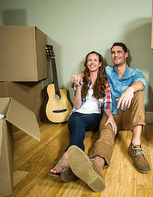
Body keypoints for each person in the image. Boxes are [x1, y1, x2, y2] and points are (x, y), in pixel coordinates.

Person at [67, 42, 150, 192]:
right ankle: (96, 164)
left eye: (119, 52)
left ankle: (135, 146)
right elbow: (91, 68)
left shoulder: (134, 73)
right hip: (112, 113)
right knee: (105, 134)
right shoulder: (107, 70)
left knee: (139, 95)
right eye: (113, 52)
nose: (116, 55)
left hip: (130, 115)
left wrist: (131, 89)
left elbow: (141, 83)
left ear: (126, 54)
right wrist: (79, 75)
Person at [49, 51, 117, 182]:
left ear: (100, 63)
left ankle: (66, 156)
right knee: (77, 119)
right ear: (86, 63)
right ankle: (76, 162)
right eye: (89, 60)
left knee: (79, 122)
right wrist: (79, 87)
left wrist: (111, 117)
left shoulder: (105, 82)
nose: (92, 63)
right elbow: (77, 106)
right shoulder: (79, 80)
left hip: (93, 117)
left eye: (95, 60)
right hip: (77, 114)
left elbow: (107, 104)